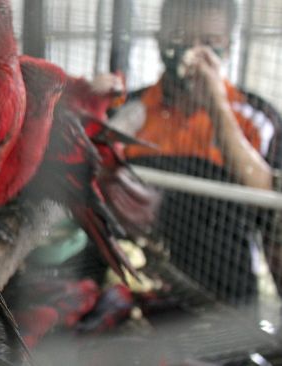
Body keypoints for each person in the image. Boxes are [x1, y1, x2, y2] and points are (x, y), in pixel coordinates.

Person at [110, 0, 282, 305]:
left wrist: (217, 106)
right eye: (180, 39)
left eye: (210, 43)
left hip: (222, 299)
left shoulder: (256, 117)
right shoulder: (127, 110)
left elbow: (268, 202)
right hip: (134, 287)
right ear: (159, 40)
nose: (194, 54)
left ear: (228, 47)